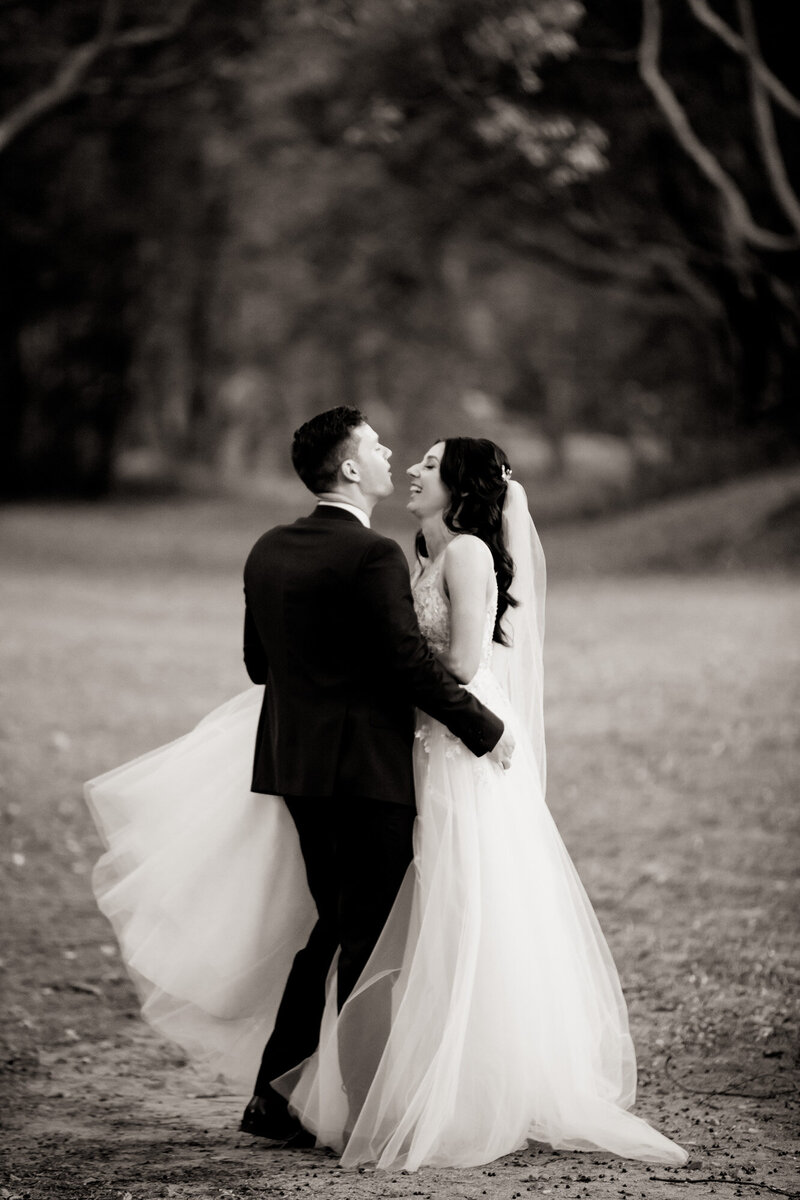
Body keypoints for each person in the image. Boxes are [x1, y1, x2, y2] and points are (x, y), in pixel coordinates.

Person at [85, 408, 512, 1150]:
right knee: (372, 939)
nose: (390, 456)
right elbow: (405, 664)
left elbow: (259, 664)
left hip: (297, 769)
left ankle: (273, 1096)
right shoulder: (375, 557)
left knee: (334, 928)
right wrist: (483, 729)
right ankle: (366, 1118)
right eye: (377, 447)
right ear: (350, 469)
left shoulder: (268, 548)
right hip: (369, 774)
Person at [266, 437, 688, 1170]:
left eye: (430, 464)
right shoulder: (427, 550)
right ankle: (410, 1081)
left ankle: (461, 1091)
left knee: (463, 906)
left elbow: (460, 663)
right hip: (419, 740)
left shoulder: (464, 553)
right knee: (413, 916)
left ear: (459, 484)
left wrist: (377, 659)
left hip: (456, 743)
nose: (415, 471)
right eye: (414, 461)